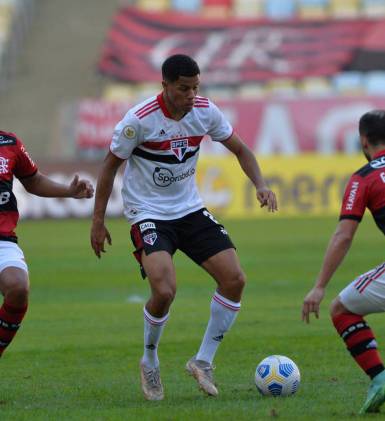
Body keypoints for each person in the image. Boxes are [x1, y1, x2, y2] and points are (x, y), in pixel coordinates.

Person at [90, 54, 277, 401]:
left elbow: (241, 149)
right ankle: (149, 361)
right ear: (165, 85)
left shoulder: (205, 111)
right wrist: (98, 221)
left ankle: (203, 361)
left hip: (189, 209)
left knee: (234, 279)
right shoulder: (139, 120)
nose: (192, 95)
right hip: (147, 212)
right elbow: (108, 167)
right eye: (184, 88)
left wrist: (260, 185)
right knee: (164, 290)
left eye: (196, 87)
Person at [302, 110, 385, 414]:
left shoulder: (363, 178)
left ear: (363, 140)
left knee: (341, 309)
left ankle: (379, 378)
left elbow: (343, 236)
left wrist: (319, 286)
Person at [0, 130, 94, 357]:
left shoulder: (9, 143)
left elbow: (33, 180)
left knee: (18, 287)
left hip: (2, 237)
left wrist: (68, 191)